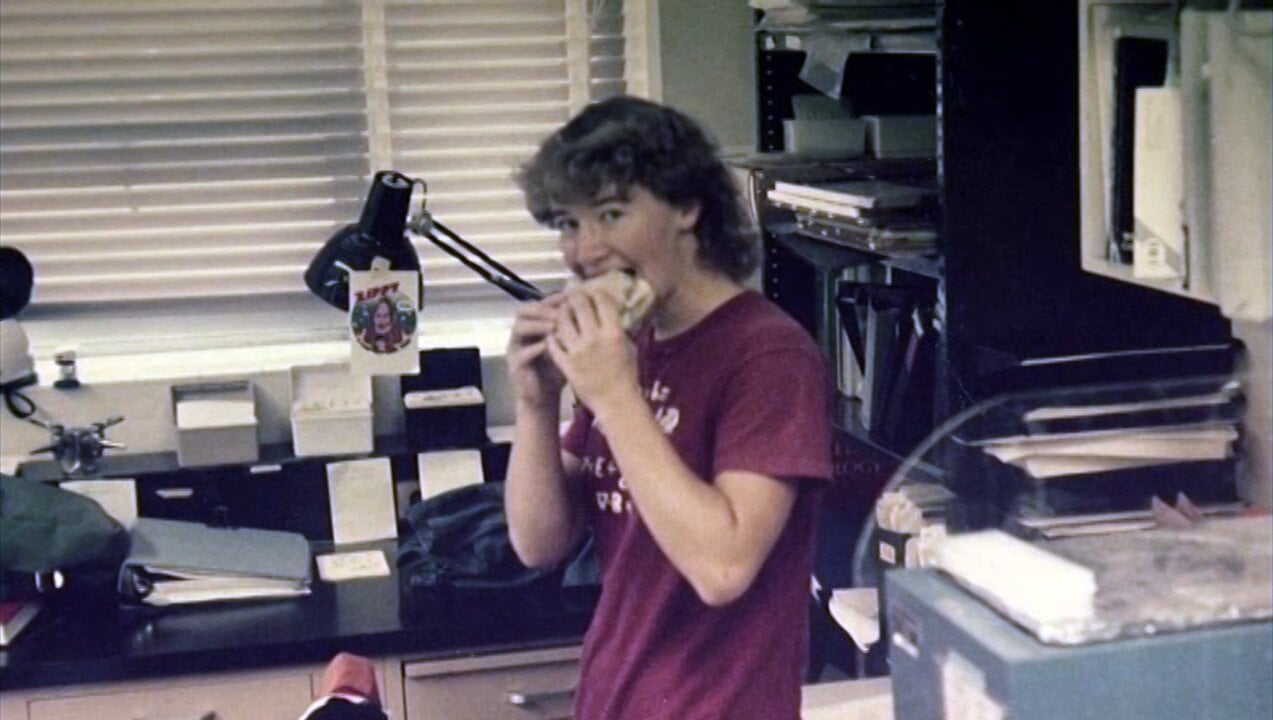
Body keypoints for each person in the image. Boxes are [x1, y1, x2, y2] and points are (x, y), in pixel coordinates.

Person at [504, 96, 833, 720]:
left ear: (687, 206)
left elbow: (724, 566)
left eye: (611, 213)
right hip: (615, 696)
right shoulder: (635, 344)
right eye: (568, 224)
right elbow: (538, 543)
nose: (584, 250)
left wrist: (613, 394)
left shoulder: (769, 355)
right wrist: (536, 405)